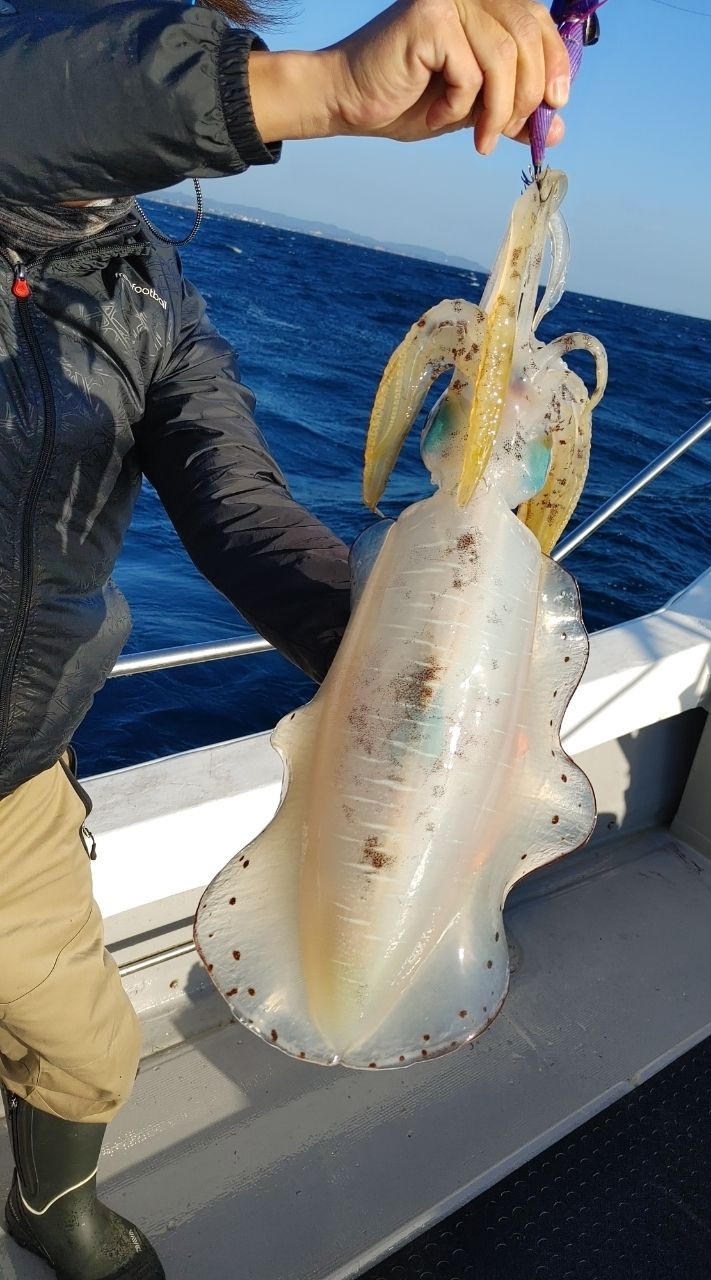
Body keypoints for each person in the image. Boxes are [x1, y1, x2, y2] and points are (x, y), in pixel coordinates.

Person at [0, 2, 570, 1276]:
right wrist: (315, 90)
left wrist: (413, 646)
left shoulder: (152, 303)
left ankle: (47, 1207)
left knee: (87, 1049)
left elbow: (241, 511)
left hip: (9, 787)